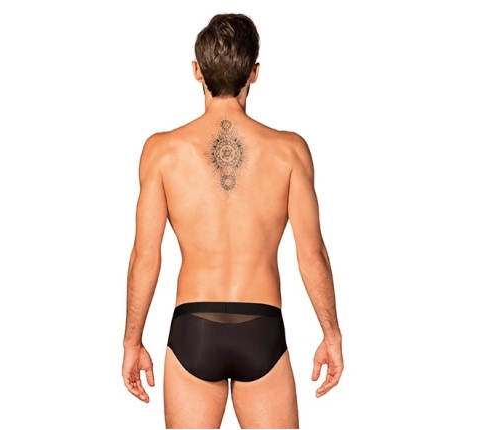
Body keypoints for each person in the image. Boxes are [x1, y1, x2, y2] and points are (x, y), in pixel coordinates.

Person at [122, 13, 343, 429]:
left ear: (197, 71)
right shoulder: (290, 151)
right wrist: (332, 335)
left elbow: (145, 257)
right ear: (253, 72)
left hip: (193, 329)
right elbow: (312, 255)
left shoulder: (161, 152)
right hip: (262, 327)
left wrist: (132, 342)